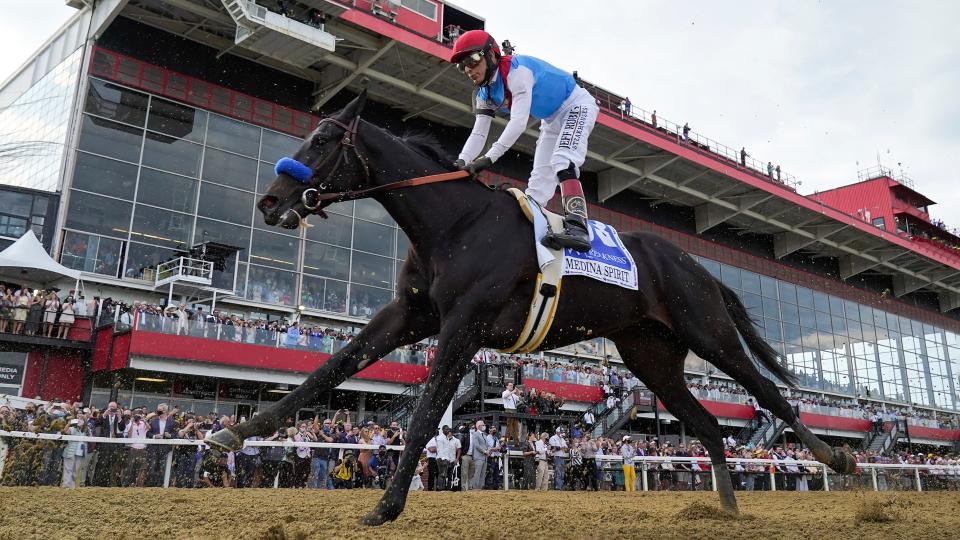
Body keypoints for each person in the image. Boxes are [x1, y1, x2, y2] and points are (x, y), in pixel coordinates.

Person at [450, 30, 598, 252]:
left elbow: (518, 123)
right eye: (462, 66)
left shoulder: (517, 72)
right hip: (550, 120)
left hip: (577, 105)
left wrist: (487, 159)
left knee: (562, 160)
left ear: (491, 55)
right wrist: (462, 161)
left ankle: (578, 228)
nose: (469, 70)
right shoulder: (484, 93)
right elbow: (479, 133)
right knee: (537, 187)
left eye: (472, 60)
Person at [470, 420, 490, 489]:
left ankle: (481, 487)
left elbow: (487, 445)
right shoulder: (475, 434)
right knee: (477, 473)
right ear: (478, 426)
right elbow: (477, 445)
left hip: (485, 457)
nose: (484, 426)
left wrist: (488, 451)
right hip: (478, 457)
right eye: (483, 425)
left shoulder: (484, 435)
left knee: (483, 474)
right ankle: (475, 488)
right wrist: (484, 451)